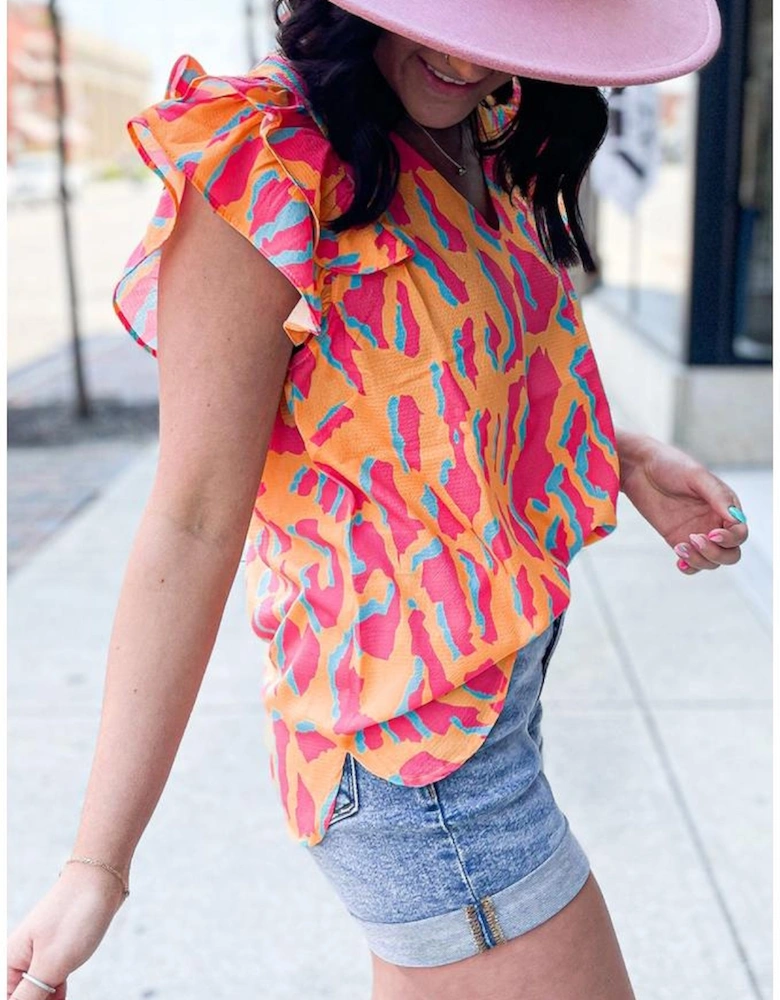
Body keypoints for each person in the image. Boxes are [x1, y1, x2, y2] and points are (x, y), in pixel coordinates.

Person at [8, 0, 747, 997]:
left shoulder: (486, 126)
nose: (463, 55)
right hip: (420, 762)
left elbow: (443, 399)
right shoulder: (268, 160)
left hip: (491, 708)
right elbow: (192, 518)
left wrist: (622, 456)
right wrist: (97, 865)